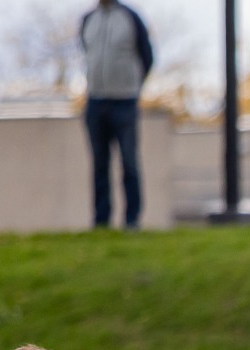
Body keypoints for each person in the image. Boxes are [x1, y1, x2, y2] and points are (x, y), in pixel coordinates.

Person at [79, 0, 153, 231]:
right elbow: (86, 52)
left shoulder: (130, 17)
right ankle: (101, 221)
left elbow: (147, 56)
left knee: (129, 163)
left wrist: (133, 86)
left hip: (125, 101)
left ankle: (132, 220)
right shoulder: (88, 20)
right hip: (95, 101)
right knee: (100, 164)